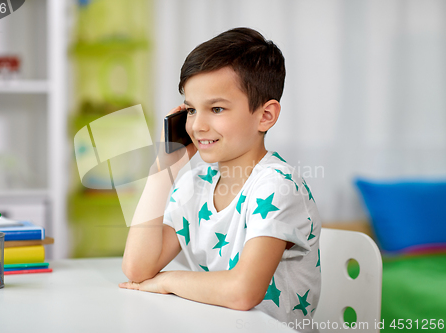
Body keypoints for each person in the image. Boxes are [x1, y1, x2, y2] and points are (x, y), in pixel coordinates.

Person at [120, 27, 321, 332]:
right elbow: (137, 269)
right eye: (189, 110)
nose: (197, 125)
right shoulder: (194, 183)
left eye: (216, 109)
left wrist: (169, 281)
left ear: (265, 116)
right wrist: (163, 170)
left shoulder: (277, 185)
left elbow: (242, 291)